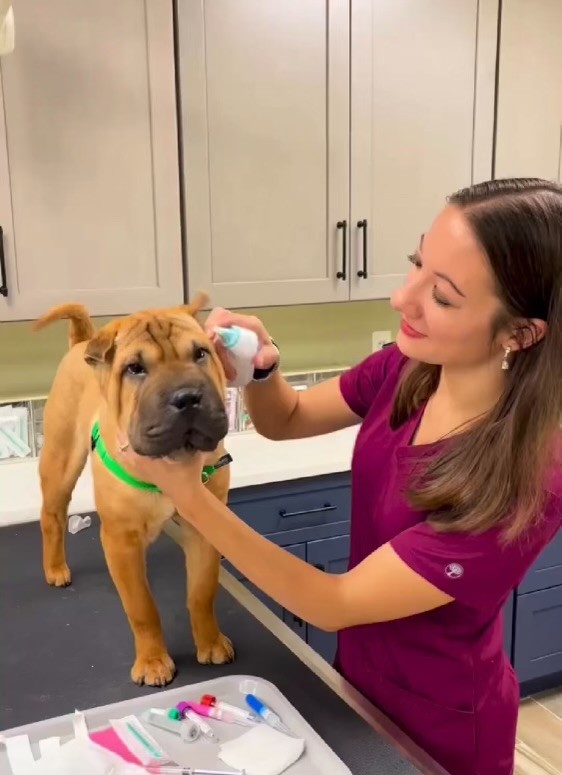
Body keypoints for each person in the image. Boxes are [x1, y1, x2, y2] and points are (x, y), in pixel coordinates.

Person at [119, 178, 562, 775]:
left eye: (444, 296)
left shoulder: (525, 479)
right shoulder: (410, 369)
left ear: (521, 333)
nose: (402, 299)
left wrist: (185, 495)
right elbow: (289, 418)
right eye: (416, 265)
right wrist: (259, 365)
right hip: (355, 685)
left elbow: (332, 602)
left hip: (444, 723)